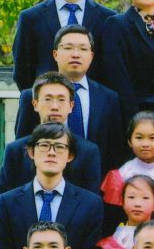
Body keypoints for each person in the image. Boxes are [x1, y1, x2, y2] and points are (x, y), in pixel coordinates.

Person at [0, 122, 104, 249]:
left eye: (59, 147)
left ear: (70, 155)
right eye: (44, 145)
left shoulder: (90, 204)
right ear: (31, 152)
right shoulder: (8, 202)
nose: (51, 152)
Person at [13, 24, 127, 173]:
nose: (75, 54)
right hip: (43, 179)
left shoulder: (108, 98)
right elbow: (22, 148)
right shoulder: (32, 96)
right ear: (55, 54)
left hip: (93, 181)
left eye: (83, 49)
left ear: (91, 56)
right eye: (68, 48)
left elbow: (114, 151)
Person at [11, 0, 113, 91]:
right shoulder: (31, 18)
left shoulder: (108, 19)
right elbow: (22, 72)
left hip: (94, 102)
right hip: (47, 101)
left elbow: (112, 70)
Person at [0, 74, 103, 194]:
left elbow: (91, 201)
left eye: (61, 100)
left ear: (71, 106)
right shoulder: (15, 151)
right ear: (35, 104)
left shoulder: (88, 152)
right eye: (48, 99)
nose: (54, 107)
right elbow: (5, 199)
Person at [99, 111, 154, 231]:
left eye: (152, 138)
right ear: (129, 141)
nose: (145, 144)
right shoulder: (119, 176)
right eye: (139, 138)